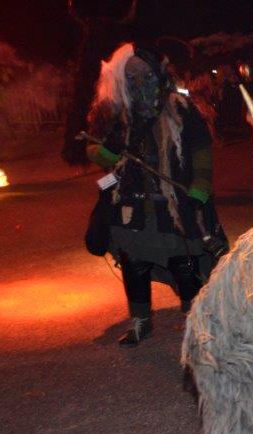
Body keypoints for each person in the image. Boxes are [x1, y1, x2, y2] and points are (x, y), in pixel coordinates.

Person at [85, 43, 221, 346]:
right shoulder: (119, 113)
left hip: (174, 204)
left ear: (158, 74)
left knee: (184, 263)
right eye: (132, 77)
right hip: (132, 204)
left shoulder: (180, 108)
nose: (140, 83)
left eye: (146, 76)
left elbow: (200, 147)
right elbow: (97, 148)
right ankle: (141, 321)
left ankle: (194, 320)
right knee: (134, 263)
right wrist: (106, 152)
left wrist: (200, 185)